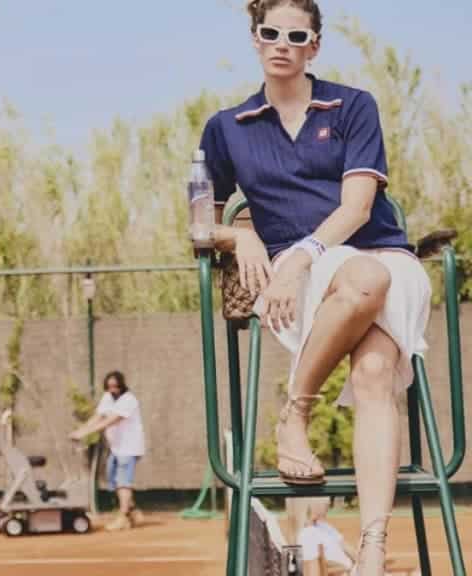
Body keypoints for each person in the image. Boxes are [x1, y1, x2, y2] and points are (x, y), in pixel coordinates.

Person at [200, 1, 430, 573]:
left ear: (315, 46)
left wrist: (301, 257)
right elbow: (199, 224)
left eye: (296, 35)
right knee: (364, 287)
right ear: (255, 39)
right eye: (270, 32)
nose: (282, 43)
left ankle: (371, 547)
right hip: (304, 281)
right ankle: (297, 414)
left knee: (374, 365)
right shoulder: (227, 126)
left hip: (375, 257)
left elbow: (358, 209)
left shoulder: (353, 106)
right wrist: (239, 237)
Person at [69, 371, 146, 531]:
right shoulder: (107, 397)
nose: (113, 389)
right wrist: (81, 430)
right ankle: (133, 511)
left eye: (116, 386)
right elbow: (98, 417)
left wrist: (84, 433)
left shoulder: (129, 400)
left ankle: (123, 517)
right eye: (109, 387)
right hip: (116, 448)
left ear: (122, 385)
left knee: (123, 482)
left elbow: (111, 421)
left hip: (129, 448)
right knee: (115, 481)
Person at [291, 498, 356, 574]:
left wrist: (360, 561)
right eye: (325, 502)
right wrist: (347, 567)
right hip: (344, 572)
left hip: (352, 569)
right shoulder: (306, 535)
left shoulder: (325, 526)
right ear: (314, 505)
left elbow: (345, 545)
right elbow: (317, 569)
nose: (329, 503)